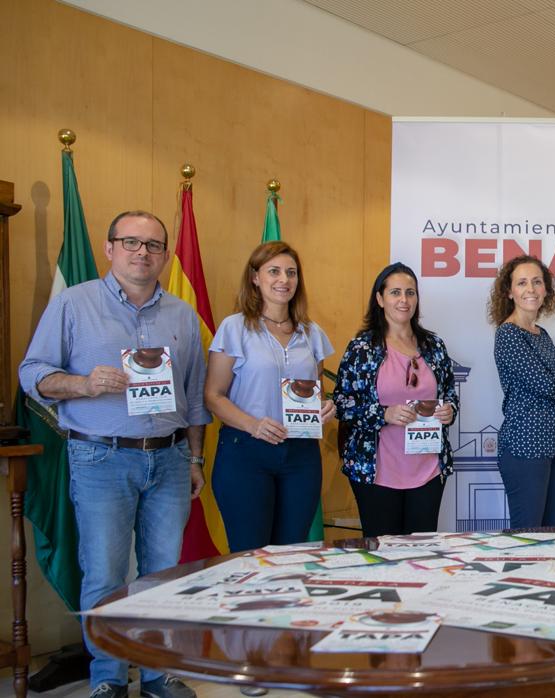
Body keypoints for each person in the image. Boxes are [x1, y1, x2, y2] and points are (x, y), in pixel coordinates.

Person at [18, 210, 207, 698]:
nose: (142, 252)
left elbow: (195, 397)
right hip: (101, 459)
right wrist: (81, 384)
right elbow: (31, 372)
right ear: (109, 248)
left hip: (168, 461)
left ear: (165, 255)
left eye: (153, 245)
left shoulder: (183, 316)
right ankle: (107, 679)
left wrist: (194, 459)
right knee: (103, 573)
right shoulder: (74, 305)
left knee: (163, 575)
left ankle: (157, 674)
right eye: (131, 242)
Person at [204, 241, 335, 551]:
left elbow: (312, 391)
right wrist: (252, 425)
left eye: (291, 273)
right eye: (274, 271)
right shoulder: (234, 328)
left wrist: (322, 408)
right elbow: (213, 395)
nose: (284, 280)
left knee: (290, 555)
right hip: (246, 453)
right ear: (255, 277)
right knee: (250, 555)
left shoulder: (311, 333)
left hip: (301, 455)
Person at [334, 263, 459, 537]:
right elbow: (342, 403)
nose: (404, 300)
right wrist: (384, 414)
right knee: (383, 557)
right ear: (380, 299)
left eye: (410, 293)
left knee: (423, 555)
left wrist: (449, 410)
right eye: (395, 292)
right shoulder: (362, 348)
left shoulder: (434, 346)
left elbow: (449, 392)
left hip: (428, 469)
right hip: (377, 472)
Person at [488, 255, 555, 528]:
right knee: (528, 539)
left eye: (536, 282)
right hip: (525, 447)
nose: (530, 289)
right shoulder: (507, 334)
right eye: (521, 282)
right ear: (509, 291)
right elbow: (543, 384)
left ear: (545, 289)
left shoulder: (542, 334)